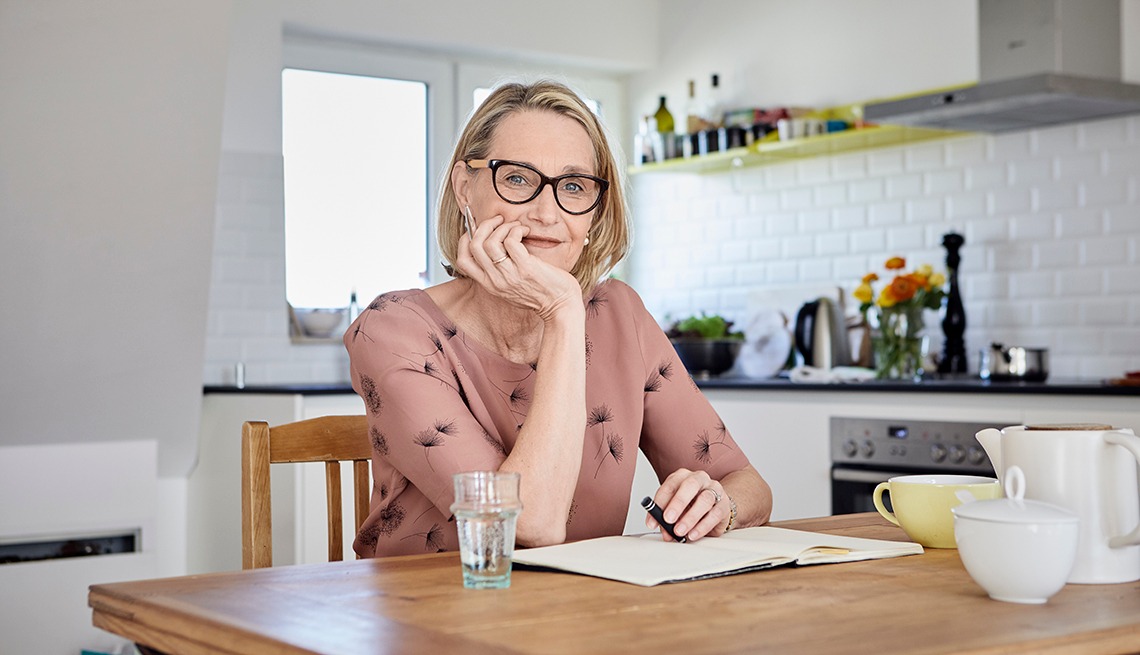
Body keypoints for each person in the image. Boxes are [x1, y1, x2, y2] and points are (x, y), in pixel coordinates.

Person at [345, 80, 772, 557]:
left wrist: (721, 503)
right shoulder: (393, 329)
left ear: (594, 211)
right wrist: (564, 313)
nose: (546, 213)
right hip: (432, 615)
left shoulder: (620, 315)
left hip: (581, 616)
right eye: (518, 179)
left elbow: (748, 483)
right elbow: (528, 525)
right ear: (466, 190)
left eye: (573, 186)